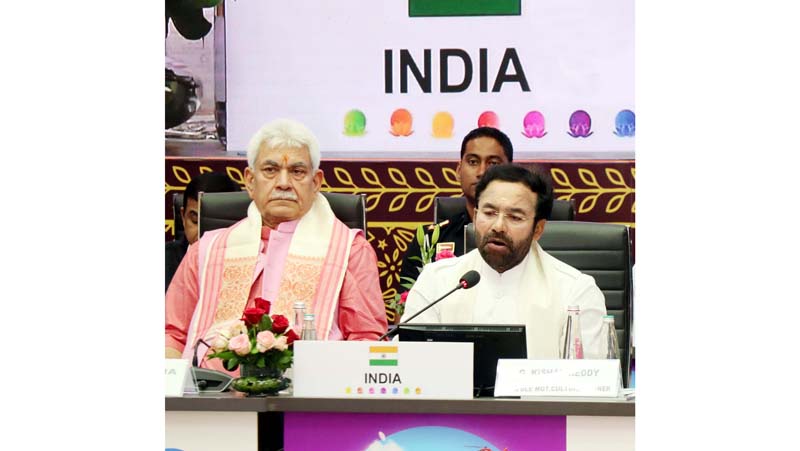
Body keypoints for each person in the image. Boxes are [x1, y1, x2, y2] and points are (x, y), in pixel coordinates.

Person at [166, 119, 388, 369]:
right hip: (211, 389)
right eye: (270, 170)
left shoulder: (349, 251)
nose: (283, 183)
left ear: (316, 182)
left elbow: (369, 340)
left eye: (297, 171)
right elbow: (172, 333)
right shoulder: (207, 251)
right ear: (250, 181)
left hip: (311, 388)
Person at [400, 164, 607, 358]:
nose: (498, 226)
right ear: (475, 216)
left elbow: (589, 378)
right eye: (489, 213)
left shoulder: (576, 291)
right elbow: (411, 364)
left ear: (538, 229)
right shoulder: (437, 282)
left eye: (515, 217)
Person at [398, 127, 514, 285]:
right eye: (473, 162)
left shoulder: (523, 236)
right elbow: (408, 298)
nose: (481, 172)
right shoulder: (429, 240)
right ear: (459, 170)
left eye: (493, 163)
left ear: (511, 172)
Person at [165, 172, 241, 290]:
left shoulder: (250, 259)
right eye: (195, 220)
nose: (203, 234)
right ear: (183, 217)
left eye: (212, 224)